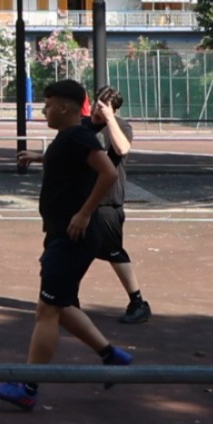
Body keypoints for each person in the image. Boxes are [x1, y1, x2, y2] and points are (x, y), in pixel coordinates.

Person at [0, 80, 135, 410]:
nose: (44, 111)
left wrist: (84, 213)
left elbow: (109, 174)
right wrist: (40, 157)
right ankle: (111, 356)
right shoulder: (68, 137)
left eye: (48, 105)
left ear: (65, 107)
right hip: (60, 235)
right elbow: (69, 162)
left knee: (47, 311)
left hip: (73, 237)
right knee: (61, 306)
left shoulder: (78, 136)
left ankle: (28, 388)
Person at [89, 86, 150, 323]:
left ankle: (138, 302)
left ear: (113, 110)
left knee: (114, 252)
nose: (96, 111)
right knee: (72, 248)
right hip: (83, 201)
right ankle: (64, 299)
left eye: (103, 107)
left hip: (108, 202)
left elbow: (122, 148)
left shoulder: (121, 127)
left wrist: (109, 119)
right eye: (96, 105)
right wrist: (40, 157)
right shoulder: (83, 126)